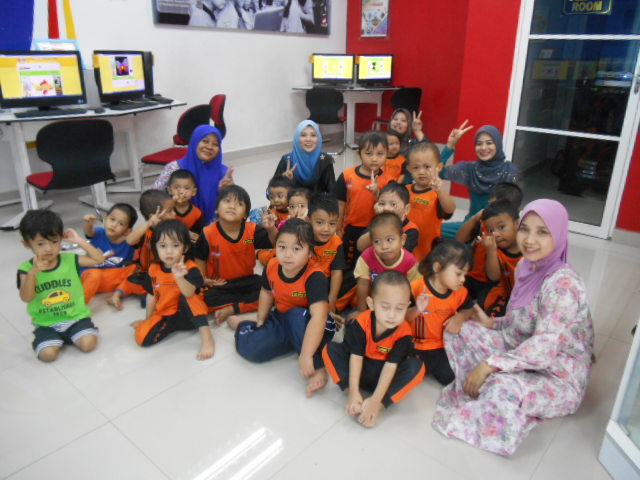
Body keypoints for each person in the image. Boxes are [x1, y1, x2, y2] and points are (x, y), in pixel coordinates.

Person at [432, 199, 594, 457]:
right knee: (459, 328)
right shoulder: (525, 267)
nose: (529, 240)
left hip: (556, 373)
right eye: (525, 229)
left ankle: (491, 385)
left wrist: (490, 364)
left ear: (559, 235)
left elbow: (545, 347)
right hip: (519, 348)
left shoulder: (564, 284)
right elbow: (519, 320)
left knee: (503, 388)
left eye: (543, 232)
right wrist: (492, 323)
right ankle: (485, 382)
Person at [228, 219, 335, 397]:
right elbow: (266, 292)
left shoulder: (315, 277)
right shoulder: (271, 266)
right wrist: (261, 319)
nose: (287, 254)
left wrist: (307, 355)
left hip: (316, 324)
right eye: (282, 247)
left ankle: (317, 367)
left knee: (295, 315)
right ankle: (247, 325)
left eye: (296, 249)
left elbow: (319, 317)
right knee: (252, 349)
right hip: (282, 318)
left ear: (310, 252)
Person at [322, 271, 426, 428]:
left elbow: (391, 366)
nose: (392, 315)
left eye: (400, 308)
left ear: (407, 306)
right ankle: (354, 395)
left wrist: (376, 400)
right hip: (360, 369)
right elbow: (356, 356)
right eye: (385, 307)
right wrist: (353, 392)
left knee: (417, 367)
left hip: (385, 375)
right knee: (330, 349)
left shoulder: (404, 332)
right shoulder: (361, 322)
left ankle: (378, 405)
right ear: (371, 304)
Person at [18, 209, 106, 362]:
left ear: (61, 239)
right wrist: (32, 273)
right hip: (46, 324)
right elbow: (27, 298)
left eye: (54, 241)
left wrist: (79, 240)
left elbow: (99, 259)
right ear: (27, 244)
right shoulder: (26, 269)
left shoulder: (70, 259)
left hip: (76, 318)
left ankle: (70, 335)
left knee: (89, 344)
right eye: (41, 243)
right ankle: (54, 339)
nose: (49, 248)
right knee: (48, 355)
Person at [131, 220, 215, 360]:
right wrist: (148, 320)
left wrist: (179, 277)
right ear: (155, 248)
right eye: (163, 246)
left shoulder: (191, 268)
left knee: (187, 297)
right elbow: (151, 295)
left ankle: (207, 338)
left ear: (185, 248)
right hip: (167, 315)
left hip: (188, 316)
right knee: (142, 337)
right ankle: (164, 325)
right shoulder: (153, 269)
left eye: (175, 245)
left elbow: (189, 293)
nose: (169, 251)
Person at [193, 185, 277, 324]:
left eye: (239, 204)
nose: (232, 206)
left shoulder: (252, 230)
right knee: (202, 299)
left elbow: (275, 243)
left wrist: (271, 229)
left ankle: (233, 308)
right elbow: (200, 257)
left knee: (273, 291)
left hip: (247, 280)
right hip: (219, 284)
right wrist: (202, 281)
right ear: (217, 209)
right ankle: (243, 303)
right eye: (227, 201)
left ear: (245, 214)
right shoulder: (208, 233)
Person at [407, 239, 474, 385]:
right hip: (414, 346)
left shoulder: (460, 292)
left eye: (465, 275)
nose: (463, 279)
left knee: (451, 377)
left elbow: (469, 309)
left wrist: (460, 317)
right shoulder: (416, 287)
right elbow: (402, 316)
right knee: (409, 373)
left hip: (441, 348)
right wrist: (417, 309)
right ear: (437, 267)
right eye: (458, 274)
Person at [440, 121, 520, 238]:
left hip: (494, 229)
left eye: (489, 143)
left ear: (498, 144)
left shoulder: (509, 170)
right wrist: (450, 145)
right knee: (433, 229)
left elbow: (510, 209)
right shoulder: (470, 169)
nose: (483, 148)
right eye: (479, 144)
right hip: (470, 225)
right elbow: (438, 172)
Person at [152, 125, 234, 224]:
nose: (209, 147)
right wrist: (172, 201)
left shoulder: (223, 173)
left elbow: (233, 207)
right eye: (205, 141)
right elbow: (152, 197)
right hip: (177, 224)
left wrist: (228, 191)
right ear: (195, 141)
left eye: (215, 144)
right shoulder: (174, 168)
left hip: (211, 226)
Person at [109, 190, 176, 310]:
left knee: (166, 286)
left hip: (165, 273)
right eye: (170, 211)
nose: (175, 214)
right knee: (131, 279)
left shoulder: (173, 230)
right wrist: (149, 223)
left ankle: (152, 296)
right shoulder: (145, 232)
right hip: (145, 272)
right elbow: (130, 240)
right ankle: (117, 295)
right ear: (154, 215)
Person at [336, 130, 392, 270]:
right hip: (351, 229)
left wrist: (378, 193)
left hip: (375, 230)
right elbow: (340, 204)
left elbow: (390, 209)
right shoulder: (347, 175)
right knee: (349, 264)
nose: (374, 159)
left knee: (370, 264)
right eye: (369, 153)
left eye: (380, 154)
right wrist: (338, 229)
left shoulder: (388, 181)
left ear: (387, 154)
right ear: (359, 153)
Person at [352, 212, 420, 318]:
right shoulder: (366, 257)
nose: (384, 246)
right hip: (373, 304)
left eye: (390, 240)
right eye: (377, 241)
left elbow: (416, 291)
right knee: (353, 321)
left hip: (398, 308)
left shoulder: (411, 263)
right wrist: (361, 310)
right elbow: (363, 285)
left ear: (402, 240)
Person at [465, 200, 522, 317]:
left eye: (501, 227)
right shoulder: (495, 248)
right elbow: (493, 276)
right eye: (491, 230)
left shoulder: (528, 247)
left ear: (517, 224)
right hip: (503, 293)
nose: (495, 234)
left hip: (523, 295)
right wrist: (491, 251)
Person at [406, 142, 456, 261]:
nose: (421, 172)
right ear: (409, 169)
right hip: (406, 249)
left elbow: (450, 208)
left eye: (427, 166)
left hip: (428, 252)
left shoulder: (438, 193)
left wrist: (440, 190)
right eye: (416, 167)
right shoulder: (405, 191)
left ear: (439, 167)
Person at [80, 203, 138, 306]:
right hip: (87, 275)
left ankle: (117, 294)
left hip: (106, 278)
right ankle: (79, 306)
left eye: (121, 224)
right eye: (112, 219)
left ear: (127, 231)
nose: (114, 225)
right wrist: (88, 223)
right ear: (105, 219)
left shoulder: (128, 245)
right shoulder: (99, 233)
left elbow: (129, 264)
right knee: (95, 275)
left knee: (135, 269)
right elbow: (89, 232)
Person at [307, 193, 347, 314]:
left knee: (353, 280)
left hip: (326, 283)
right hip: (305, 281)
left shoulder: (336, 242)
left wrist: (332, 302)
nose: (326, 229)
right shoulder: (302, 238)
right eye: (320, 222)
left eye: (332, 223)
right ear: (309, 220)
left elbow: (336, 273)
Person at [273, 120, 335, 195]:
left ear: (319, 138)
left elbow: (333, 193)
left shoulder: (324, 160)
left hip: (318, 202)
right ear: (296, 138)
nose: (308, 139)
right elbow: (269, 193)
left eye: (313, 135)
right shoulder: (287, 160)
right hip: (293, 202)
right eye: (303, 135)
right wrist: (282, 181)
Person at [356, 181, 419, 254]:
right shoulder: (377, 223)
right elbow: (360, 247)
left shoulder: (411, 230)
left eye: (393, 204)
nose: (386, 208)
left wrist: (391, 226)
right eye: (382, 204)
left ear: (406, 209)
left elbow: (397, 256)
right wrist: (380, 224)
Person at [456, 182, 523, 244]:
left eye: (502, 227)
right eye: (490, 230)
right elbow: (459, 240)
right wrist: (475, 218)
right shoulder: (483, 221)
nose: (489, 201)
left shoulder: (521, 229)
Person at [256, 175, 295, 266]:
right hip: (279, 242)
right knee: (273, 258)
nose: (275, 200)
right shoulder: (273, 214)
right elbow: (275, 243)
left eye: (280, 196)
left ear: (291, 196)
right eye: (272, 197)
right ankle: (259, 253)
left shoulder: (298, 211)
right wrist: (271, 228)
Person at [167, 169, 206, 242]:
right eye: (177, 188)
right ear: (170, 190)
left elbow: (198, 237)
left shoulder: (197, 214)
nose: (181, 192)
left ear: (194, 192)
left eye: (186, 188)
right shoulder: (166, 210)